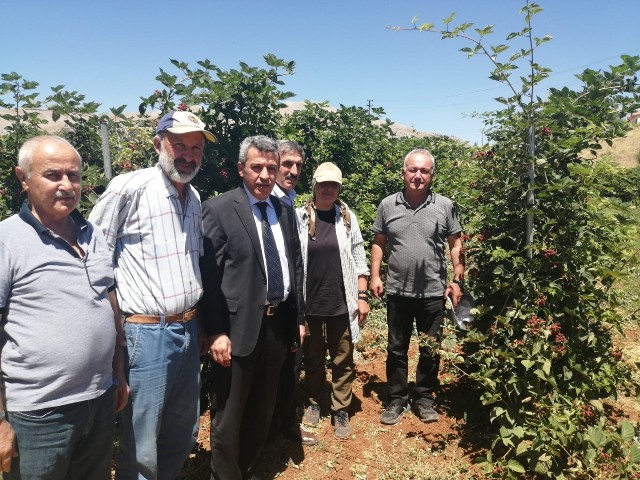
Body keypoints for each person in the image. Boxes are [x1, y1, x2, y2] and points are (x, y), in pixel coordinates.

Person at [89, 111, 216, 479]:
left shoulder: (194, 197)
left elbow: (193, 267)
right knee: (142, 441)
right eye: (179, 145)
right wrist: (113, 329)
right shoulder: (129, 188)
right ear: (158, 143)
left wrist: (203, 324)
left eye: (196, 149)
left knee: (183, 430)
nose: (188, 156)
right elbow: (94, 255)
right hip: (145, 334)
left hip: (187, 331)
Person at [0, 135, 129, 479]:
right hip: (39, 413)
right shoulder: (6, 241)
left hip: (99, 400)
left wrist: (118, 372)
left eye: (74, 176)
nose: (67, 185)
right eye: (53, 175)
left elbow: (108, 303)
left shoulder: (94, 234)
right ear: (23, 178)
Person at [201, 135, 304, 480]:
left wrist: (297, 320)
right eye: (256, 167)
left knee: (263, 408)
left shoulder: (284, 210)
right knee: (230, 414)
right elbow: (209, 277)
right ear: (241, 168)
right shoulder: (219, 209)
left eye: (271, 168)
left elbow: (295, 267)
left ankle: (247, 469)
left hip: (276, 328)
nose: (264, 175)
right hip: (237, 329)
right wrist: (215, 331)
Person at [370, 148, 465, 426]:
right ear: (403, 172)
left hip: (433, 292)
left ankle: (424, 397)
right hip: (398, 291)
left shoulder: (445, 206)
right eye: (413, 169)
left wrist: (458, 279)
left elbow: (456, 243)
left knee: (430, 348)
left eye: (424, 171)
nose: (418, 175)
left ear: (432, 175)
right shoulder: (388, 205)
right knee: (396, 348)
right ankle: (397, 398)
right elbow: (379, 242)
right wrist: (376, 276)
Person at [297, 162, 369, 440]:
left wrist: (362, 296)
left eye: (334, 185)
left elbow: (360, 257)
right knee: (313, 357)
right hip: (310, 302)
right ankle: (314, 401)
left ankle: (341, 408)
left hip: (342, 301)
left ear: (339, 188)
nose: (328, 189)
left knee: (343, 358)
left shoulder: (347, 217)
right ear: (314, 185)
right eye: (323, 184)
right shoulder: (299, 217)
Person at [271, 140, 317, 446]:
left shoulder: (291, 201)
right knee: (273, 370)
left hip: (291, 302)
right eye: (288, 164)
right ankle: (271, 428)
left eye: (299, 165)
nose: (293, 170)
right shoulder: (268, 201)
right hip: (272, 305)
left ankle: (284, 424)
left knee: (291, 365)